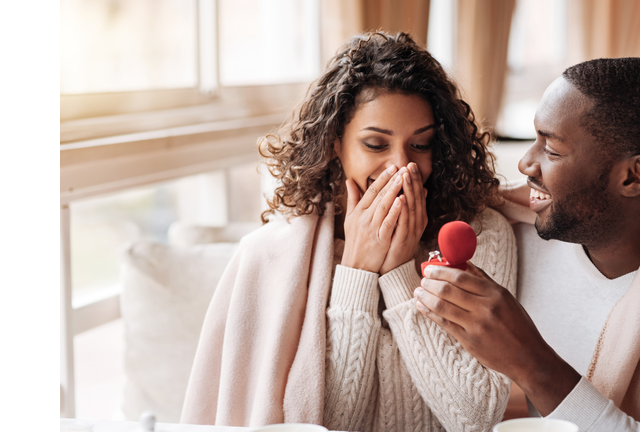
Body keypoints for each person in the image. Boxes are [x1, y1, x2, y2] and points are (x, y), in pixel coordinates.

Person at [181, 32, 517, 431]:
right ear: (335, 143)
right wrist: (357, 271)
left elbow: (476, 418)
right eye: (376, 144)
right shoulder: (275, 256)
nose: (401, 166)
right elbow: (321, 424)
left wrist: (398, 273)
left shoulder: (480, 235)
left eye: (421, 145)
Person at [414, 57, 640, 432]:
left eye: (551, 150)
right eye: (534, 139)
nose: (525, 164)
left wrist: (530, 362)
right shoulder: (507, 235)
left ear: (635, 176)